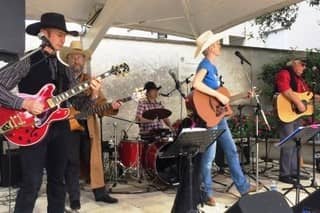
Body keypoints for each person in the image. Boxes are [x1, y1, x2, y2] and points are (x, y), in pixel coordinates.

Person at [0, 13, 101, 213]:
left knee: (58, 180)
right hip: (32, 129)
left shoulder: (67, 71)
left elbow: (80, 109)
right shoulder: (27, 60)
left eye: (64, 36)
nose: (63, 40)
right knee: (32, 182)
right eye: (58, 35)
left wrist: (94, 94)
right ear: (43, 34)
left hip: (60, 130)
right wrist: (23, 102)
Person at [192, 30, 256, 206]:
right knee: (209, 157)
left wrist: (243, 95)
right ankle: (206, 193)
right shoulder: (205, 64)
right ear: (211, 47)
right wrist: (219, 96)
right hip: (211, 119)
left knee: (232, 151)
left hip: (219, 117)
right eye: (218, 43)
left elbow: (221, 99)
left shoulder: (213, 68)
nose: (220, 45)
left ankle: (243, 187)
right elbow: (196, 84)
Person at [59, 41, 120, 211]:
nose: (76, 60)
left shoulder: (92, 81)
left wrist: (111, 106)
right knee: (72, 162)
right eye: (73, 57)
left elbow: (100, 103)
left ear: (84, 61)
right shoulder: (61, 79)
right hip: (67, 126)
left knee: (93, 160)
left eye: (79, 57)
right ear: (68, 60)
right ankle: (74, 198)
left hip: (88, 126)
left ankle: (100, 193)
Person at [275, 58, 313, 184]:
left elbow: (307, 95)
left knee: (297, 142)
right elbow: (285, 89)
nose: (304, 67)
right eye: (302, 64)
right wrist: (298, 103)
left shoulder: (299, 80)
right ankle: (284, 174)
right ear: (294, 63)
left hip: (295, 115)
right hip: (286, 112)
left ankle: (294, 171)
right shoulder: (284, 73)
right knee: (288, 142)